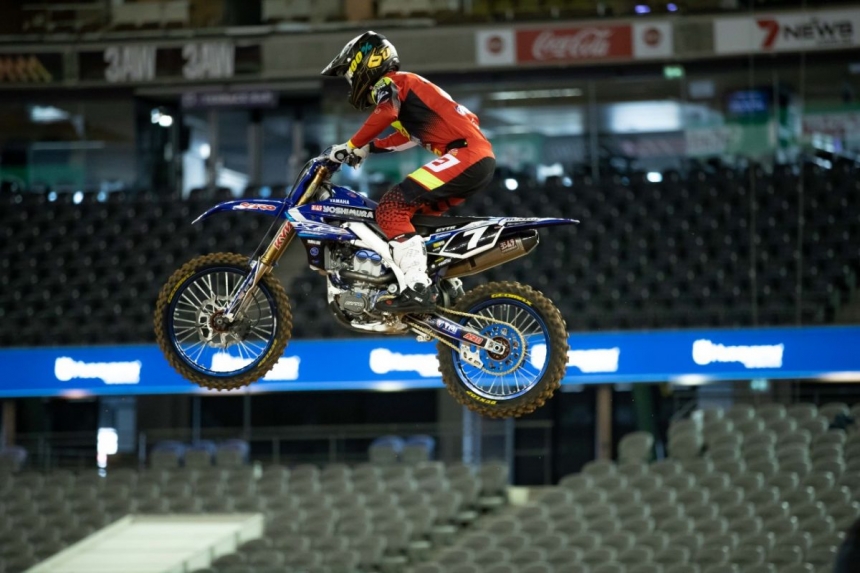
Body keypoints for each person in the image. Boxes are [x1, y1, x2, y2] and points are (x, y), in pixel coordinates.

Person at [321, 31, 496, 313]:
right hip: (474, 157)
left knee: (391, 208)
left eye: (350, 74)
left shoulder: (392, 82)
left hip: (465, 154)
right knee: (415, 221)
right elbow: (406, 137)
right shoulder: (410, 87)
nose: (351, 83)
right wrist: (368, 148)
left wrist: (350, 146)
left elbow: (386, 114)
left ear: (366, 63)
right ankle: (445, 286)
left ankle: (417, 288)